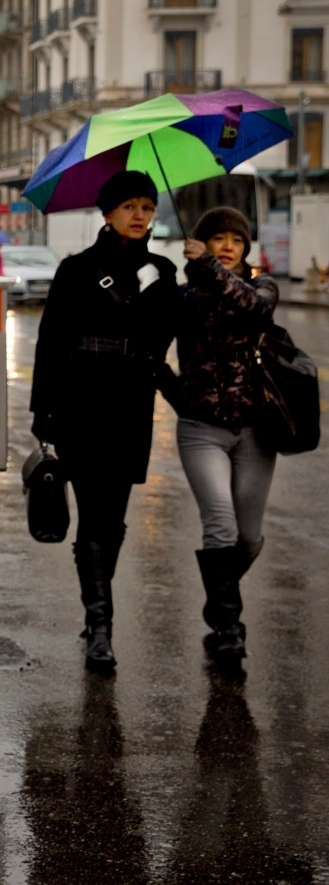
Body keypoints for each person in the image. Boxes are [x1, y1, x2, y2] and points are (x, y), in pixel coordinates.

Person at [30, 170, 180, 672]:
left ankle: (96, 610)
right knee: (95, 514)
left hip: (132, 408)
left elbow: (165, 336)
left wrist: (182, 282)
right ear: (108, 213)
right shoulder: (77, 269)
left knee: (112, 521)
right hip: (81, 407)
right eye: (130, 207)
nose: (140, 216)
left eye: (147, 207)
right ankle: (100, 627)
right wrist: (43, 413)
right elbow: (50, 343)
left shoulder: (161, 270)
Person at [171, 206, 280, 662]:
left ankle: (218, 599)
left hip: (256, 432)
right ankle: (230, 628)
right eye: (218, 238)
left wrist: (209, 267)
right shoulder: (185, 296)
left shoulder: (261, 287)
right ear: (204, 243)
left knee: (249, 538)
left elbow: (251, 307)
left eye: (236, 239)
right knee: (220, 524)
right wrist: (181, 397)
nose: (229, 245)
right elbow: (152, 351)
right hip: (201, 431)